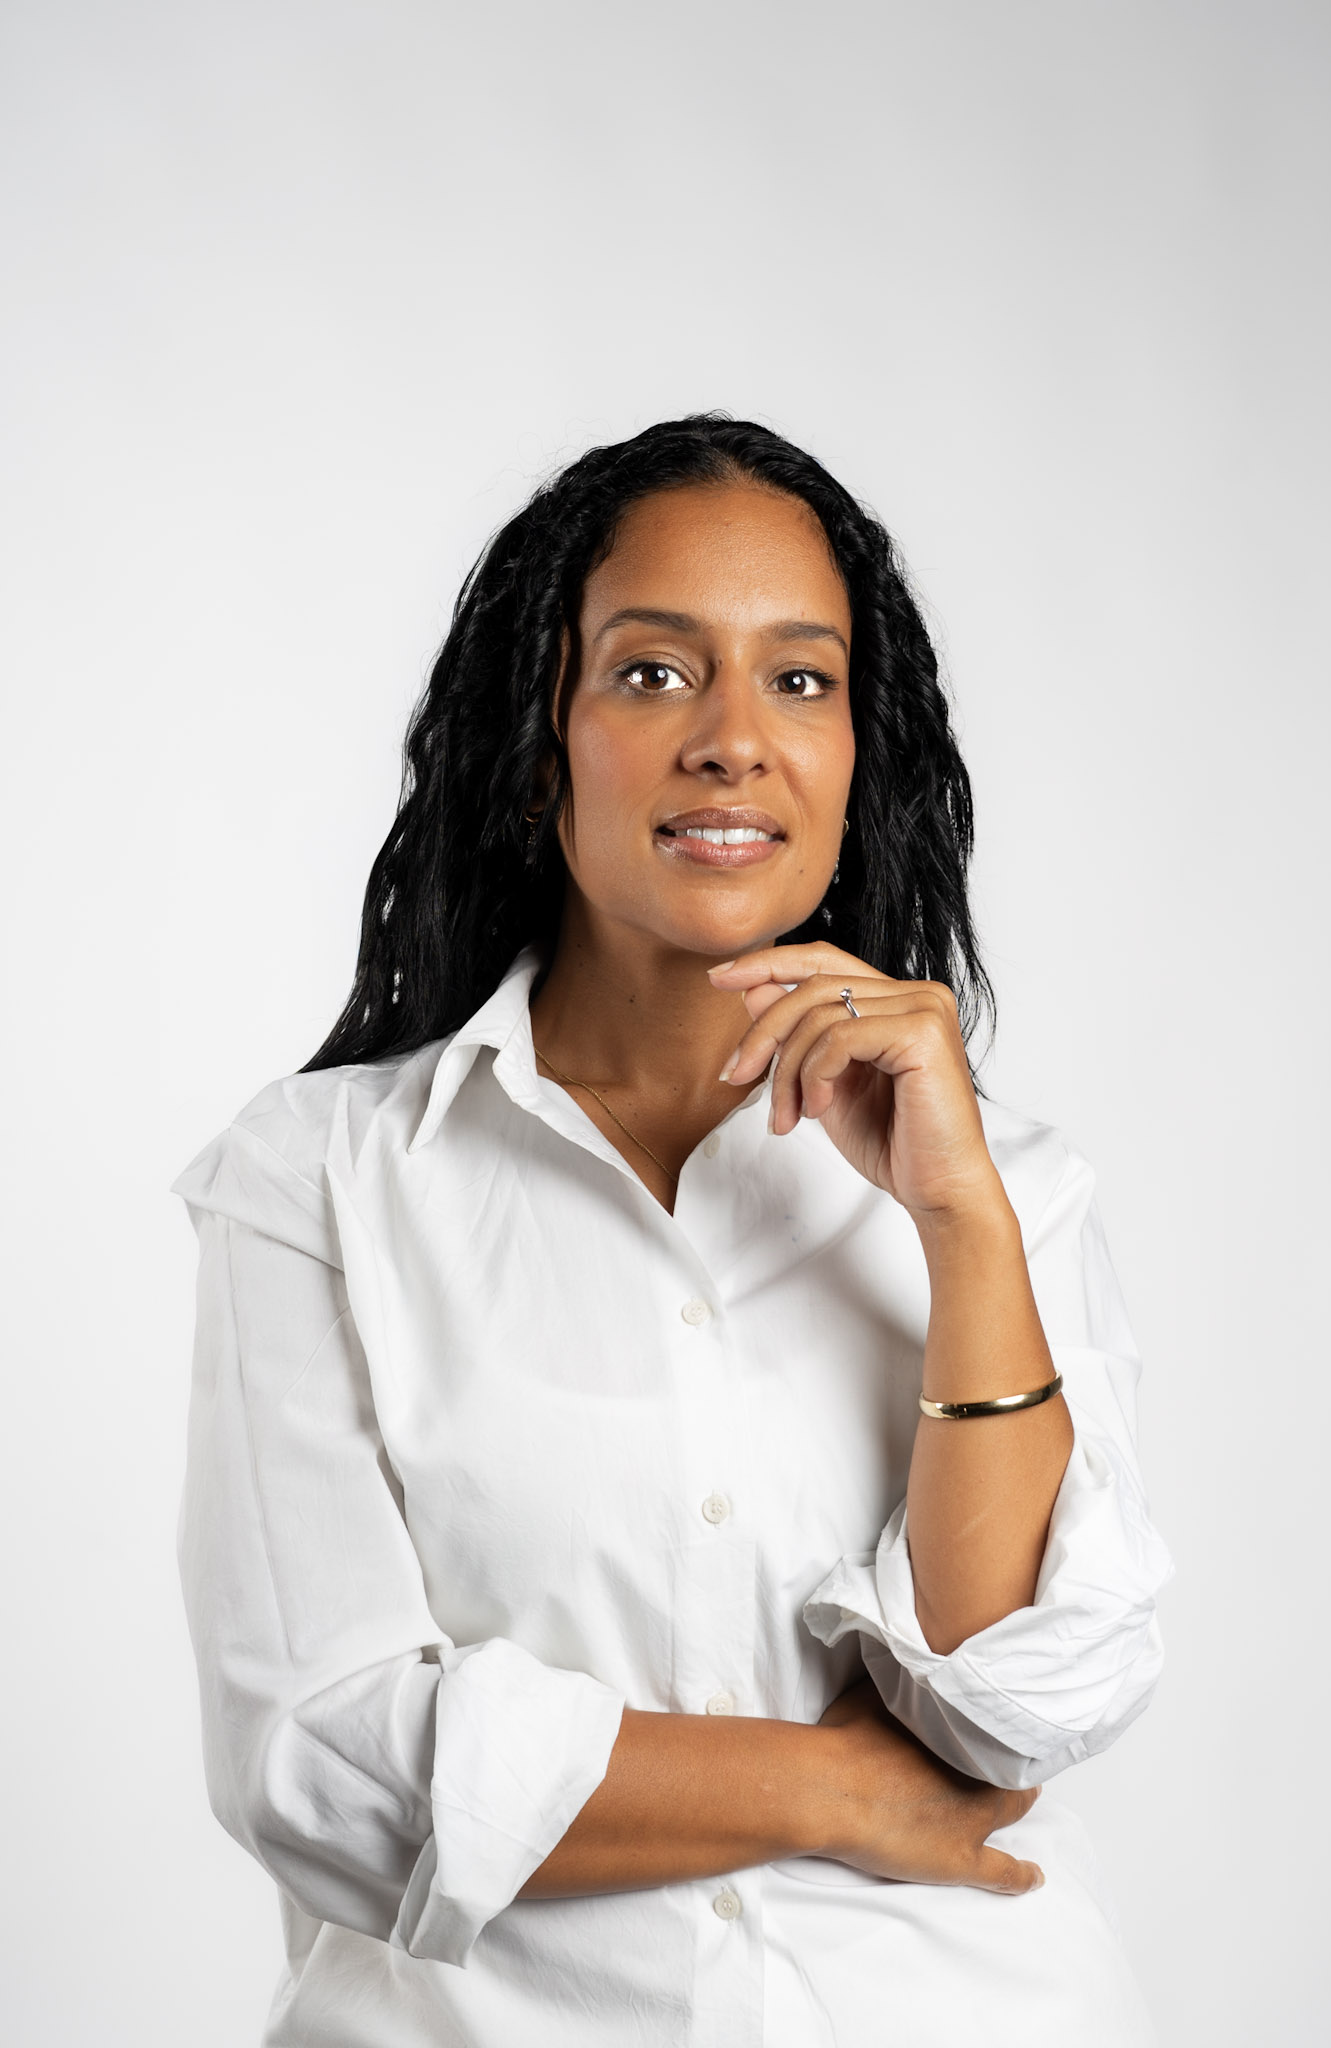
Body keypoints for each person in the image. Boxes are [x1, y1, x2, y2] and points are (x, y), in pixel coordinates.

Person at [172, 414, 1173, 2047]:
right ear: (538, 741)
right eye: (652, 673)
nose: (732, 742)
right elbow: (328, 1764)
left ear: (857, 755)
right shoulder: (319, 1181)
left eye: (800, 680)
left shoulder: (1009, 1192)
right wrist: (841, 1791)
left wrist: (960, 1227)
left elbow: (1014, 1706)